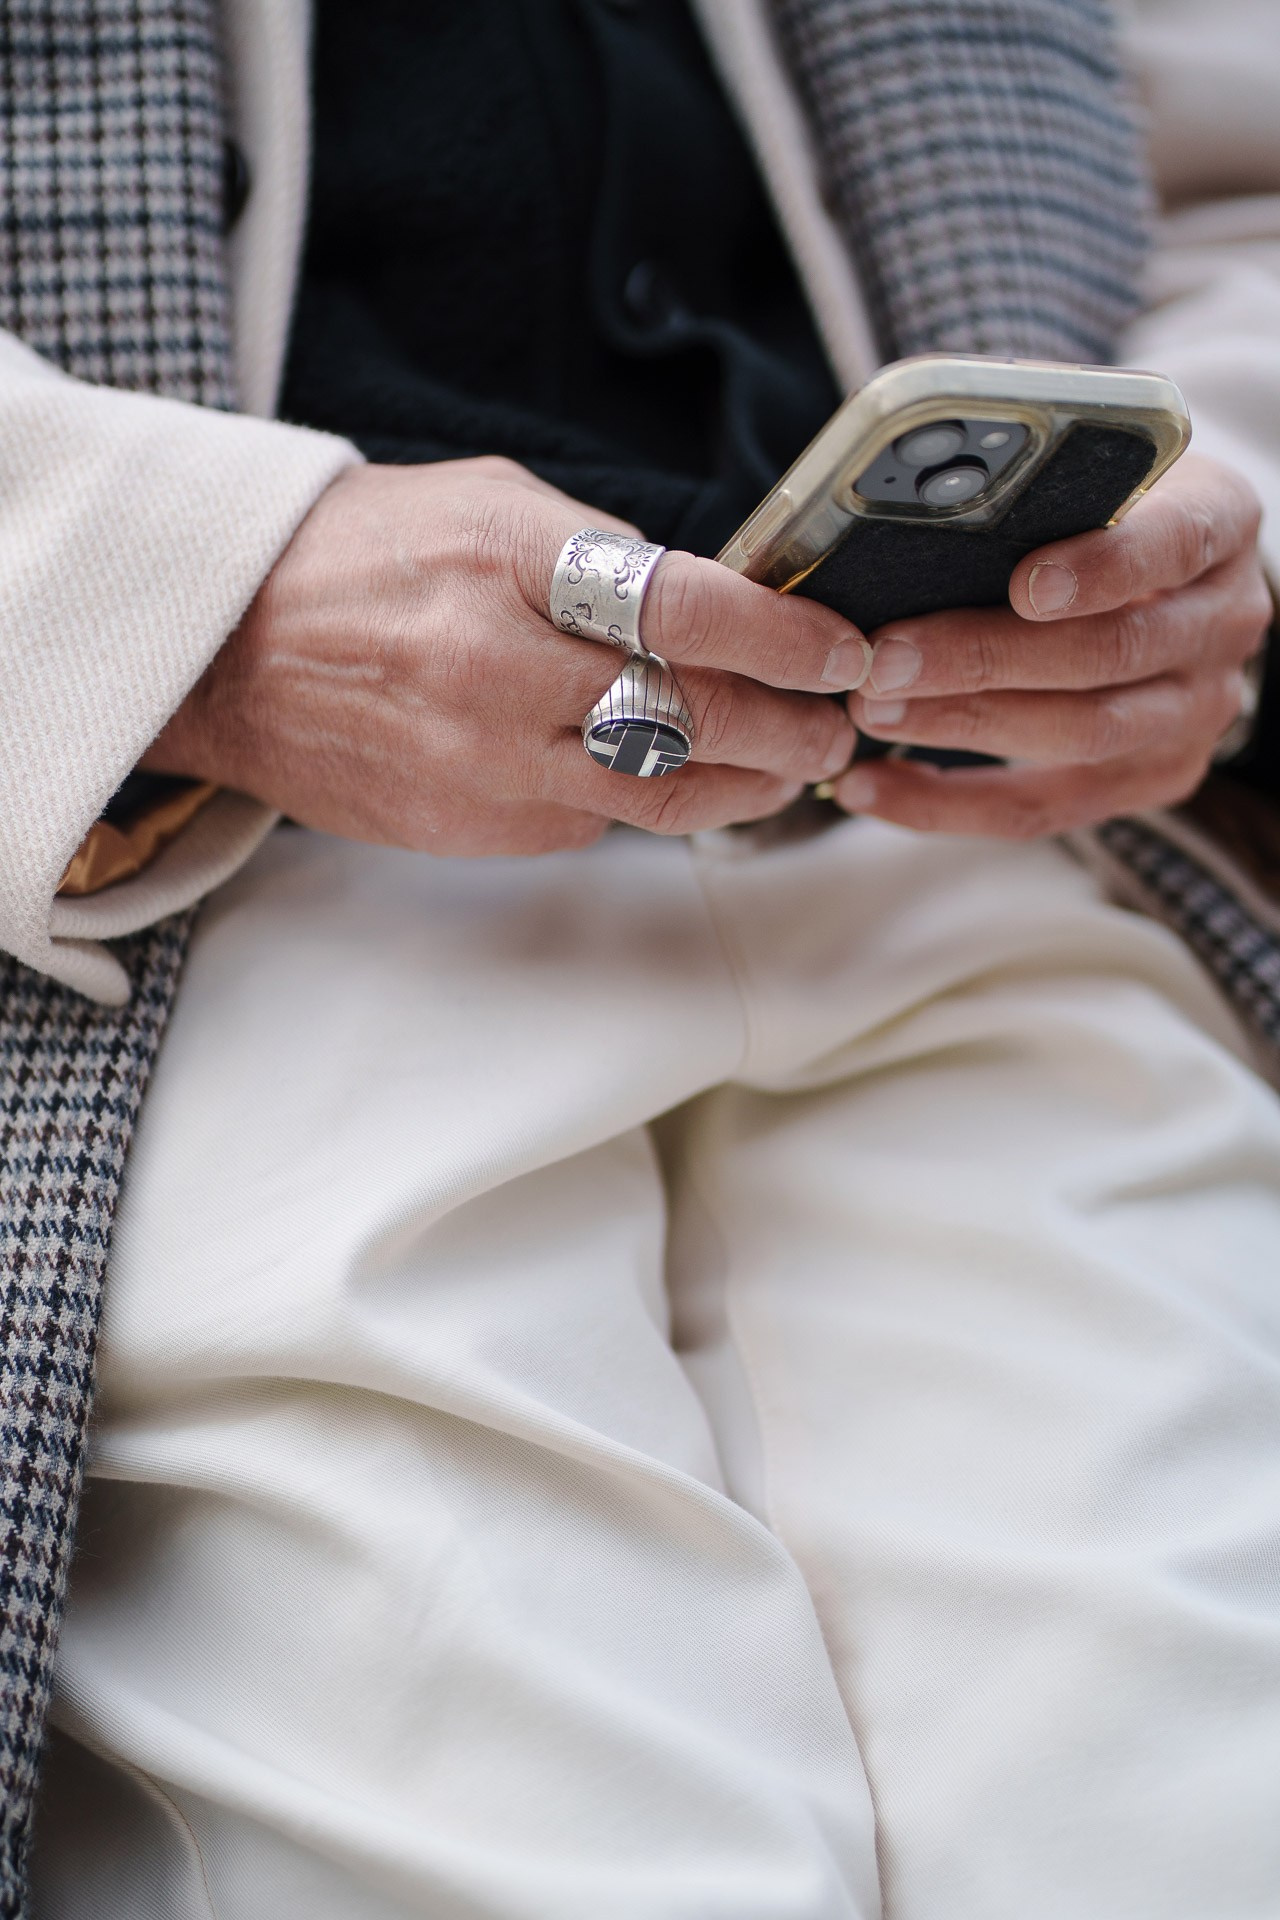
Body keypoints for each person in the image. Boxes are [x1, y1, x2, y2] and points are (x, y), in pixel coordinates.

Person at [5, 0, 1279, 1914]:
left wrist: (1214, 527)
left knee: (1179, 1810)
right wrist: (186, 595)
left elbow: (1235, 188)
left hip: (967, 842)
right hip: (179, 912)